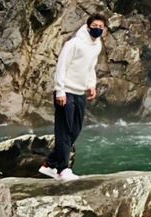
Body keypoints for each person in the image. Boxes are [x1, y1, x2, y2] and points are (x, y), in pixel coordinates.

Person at [38, 13, 106, 181]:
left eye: (101, 27)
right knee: (64, 130)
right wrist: (60, 91)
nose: (97, 29)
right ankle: (62, 169)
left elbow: (91, 67)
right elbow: (61, 67)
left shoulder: (97, 45)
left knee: (75, 129)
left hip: (80, 91)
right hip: (66, 92)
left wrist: (91, 85)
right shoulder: (73, 44)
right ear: (88, 26)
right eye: (95, 26)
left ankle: (49, 165)